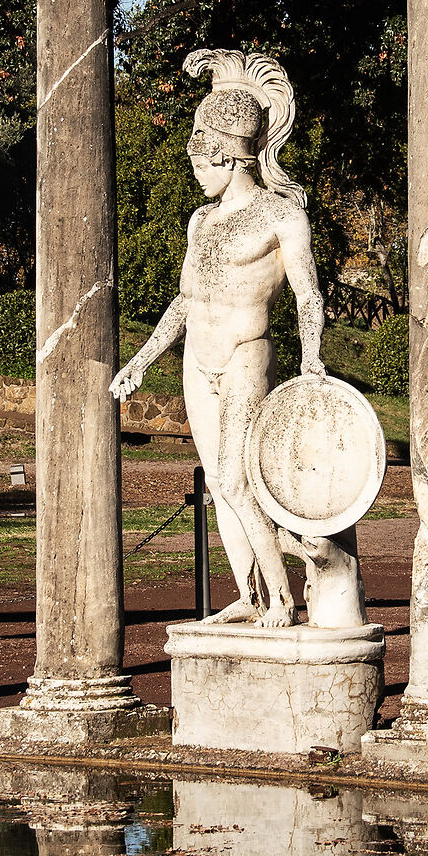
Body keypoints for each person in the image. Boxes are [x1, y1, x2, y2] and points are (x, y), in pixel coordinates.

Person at [111, 49, 324, 625]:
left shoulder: (282, 214)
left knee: (236, 475)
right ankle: (251, 596)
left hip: (245, 354)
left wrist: (311, 358)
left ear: (228, 157)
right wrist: (141, 360)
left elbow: (308, 295)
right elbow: (187, 300)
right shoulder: (200, 221)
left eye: (201, 164)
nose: (196, 176)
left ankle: (282, 597)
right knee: (221, 484)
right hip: (197, 359)